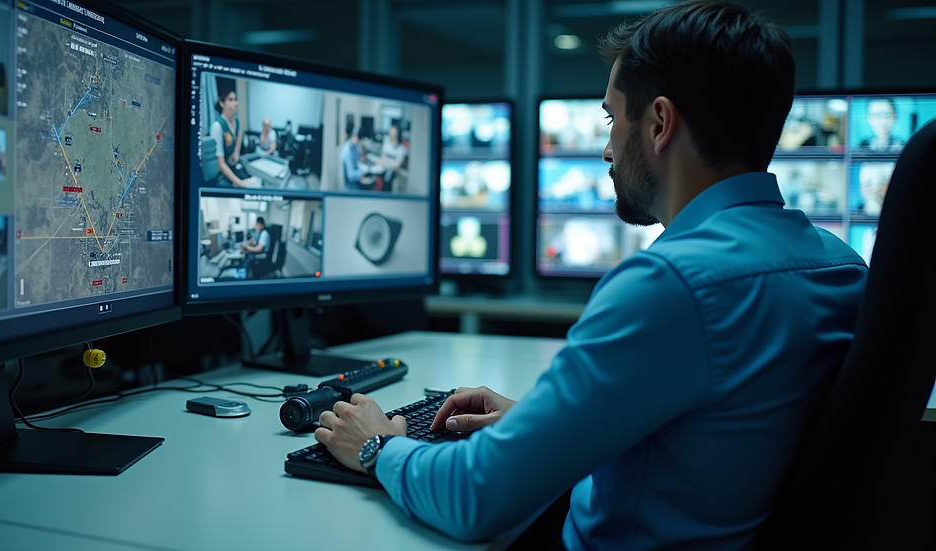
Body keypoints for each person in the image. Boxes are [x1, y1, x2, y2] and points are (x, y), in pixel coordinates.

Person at [312, 2, 870, 550]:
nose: (606, 149)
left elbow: (474, 500)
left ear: (658, 122)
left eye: (611, 118)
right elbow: (717, 431)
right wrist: (541, 427)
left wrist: (378, 445)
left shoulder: (670, 285)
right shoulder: (841, 266)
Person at [210, 83, 258, 188]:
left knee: (253, 180)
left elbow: (239, 134)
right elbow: (221, 163)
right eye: (230, 100)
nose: (236, 103)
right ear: (222, 103)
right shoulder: (217, 126)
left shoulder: (236, 120)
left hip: (233, 165)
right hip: (222, 169)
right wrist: (240, 183)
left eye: (235, 99)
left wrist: (236, 151)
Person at [340, 125, 375, 190]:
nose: (360, 143)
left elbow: (357, 159)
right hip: (351, 185)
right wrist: (364, 172)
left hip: (355, 179)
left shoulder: (352, 146)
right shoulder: (348, 151)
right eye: (360, 141)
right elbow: (351, 175)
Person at [377, 124, 408, 190]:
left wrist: (386, 164)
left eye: (393, 133)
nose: (391, 135)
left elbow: (396, 165)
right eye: (390, 133)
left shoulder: (401, 149)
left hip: (393, 174)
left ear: (397, 134)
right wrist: (383, 162)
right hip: (383, 171)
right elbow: (382, 158)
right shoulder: (386, 145)